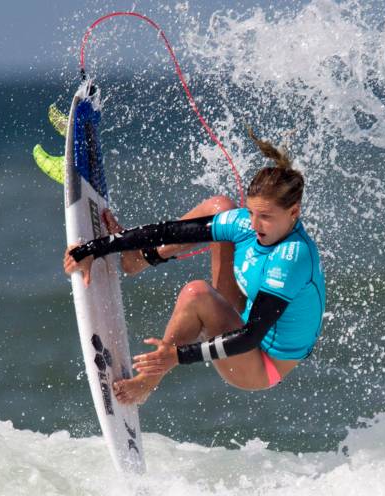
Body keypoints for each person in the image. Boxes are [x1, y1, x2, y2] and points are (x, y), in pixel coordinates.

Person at [64, 131, 326, 405]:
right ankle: (138, 259)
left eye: (266, 217)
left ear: (294, 212)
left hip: (260, 363)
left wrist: (177, 356)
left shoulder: (292, 258)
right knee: (220, 206)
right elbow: (171, 232)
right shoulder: (248, 225)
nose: (255, 223)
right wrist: (95, 248)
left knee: (196, 293)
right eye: (251, 212)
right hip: (244, 320)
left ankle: (149, 379)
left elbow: (250, 337)